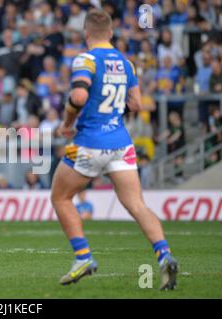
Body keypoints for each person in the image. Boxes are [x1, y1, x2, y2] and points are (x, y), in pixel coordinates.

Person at [50, 9, 178, 290]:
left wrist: (67, 123)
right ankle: (164, 254)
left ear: (86, 33)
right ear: (110, 33)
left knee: (60, 197)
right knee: (136, 204)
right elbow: (136, 105)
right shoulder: (126, 62)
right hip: (121, 143)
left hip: (89, 143)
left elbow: (79, 95)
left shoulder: (85, 59)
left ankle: (83, 256)